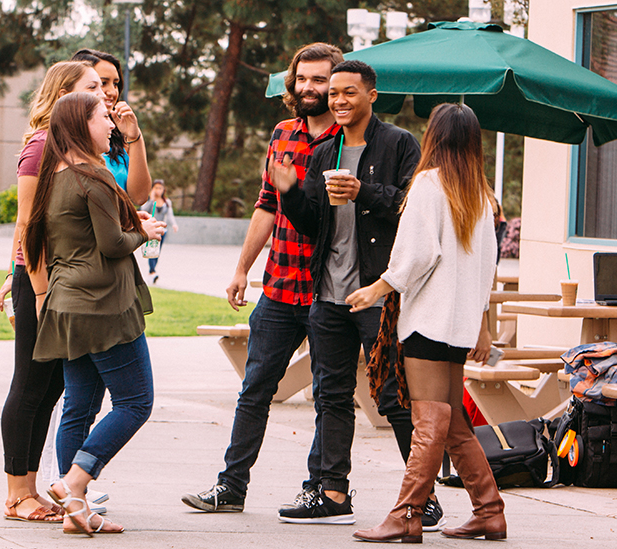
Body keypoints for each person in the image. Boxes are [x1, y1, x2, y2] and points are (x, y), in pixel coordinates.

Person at [181, 43, 344, 516]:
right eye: (303, 79)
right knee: (254, 390)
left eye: (321, 80)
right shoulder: (282, 132)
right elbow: (266, 205)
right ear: (293, 84)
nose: (310, 87)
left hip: (327, 290)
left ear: (336, 86)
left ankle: (323, 489)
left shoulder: (347, 140)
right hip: (277, 286)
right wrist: (241, 269)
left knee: (330, 397)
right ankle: (231, 487)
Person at [270, 60, 425, 525]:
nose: (337, 100)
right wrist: (291, 193)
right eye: (332, 92)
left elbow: (413, 209)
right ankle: (333, 494)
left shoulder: (399, 144)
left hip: (378, 294)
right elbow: (313, 224)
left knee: (394, 396)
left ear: (371, 95)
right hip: (328, 296)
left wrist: (364, 191)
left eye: (348, 92)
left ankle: (422, 496)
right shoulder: (323, 152)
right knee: (331, 396)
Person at [347, 103, 504, 543]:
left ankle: (406, 514)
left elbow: (416, 255)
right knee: (451, 422)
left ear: (434, 137)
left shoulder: (428, 186)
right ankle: (489, 511)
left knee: (428, 421)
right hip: (458, 326)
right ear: (474, 142)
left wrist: (378, 287)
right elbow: (486, 267)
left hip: (429, 323)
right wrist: (480, 323)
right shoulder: (482, 193)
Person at [23, 92, 166, 536]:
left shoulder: (55, 175)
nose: (112, 125)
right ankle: (73, 482)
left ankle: (75, 512)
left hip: (67, 305)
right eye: (104, 118)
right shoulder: (95, 176)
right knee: (135, 402)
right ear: (82, 125)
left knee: (79, 406)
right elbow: (112, 245)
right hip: (102, 304)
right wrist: (142, 231)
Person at [0, 61, 108, 524]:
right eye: (93, 87)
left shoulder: (70, 146)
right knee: (30, 382)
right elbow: (28, 224)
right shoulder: (41, 145)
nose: (103, 93)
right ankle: (16, 492)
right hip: (39, 280)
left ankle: (30, 485)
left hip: (58, 281)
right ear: (65, 95)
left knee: (52, 385)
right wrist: (32, 289)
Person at [71, 48, 152, 204]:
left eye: (115, 84)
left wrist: (135, 138)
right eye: (103, 83)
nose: (112, 92)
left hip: (120, 227)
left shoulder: (119, 135)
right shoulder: (59, 136)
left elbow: (140, 197)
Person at [140, 179, 179, 281]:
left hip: (162, 231)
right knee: (151, 250)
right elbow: (142, 210)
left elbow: (170, 215)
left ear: (163, 189)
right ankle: (152, 271)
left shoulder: (167, 202)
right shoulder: (150, 201)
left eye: (160, 188)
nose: (158, 190)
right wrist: (152, 200)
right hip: (152, 229)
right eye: (156, 188)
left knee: (157, 252)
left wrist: (174, 225)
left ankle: (151, 271)